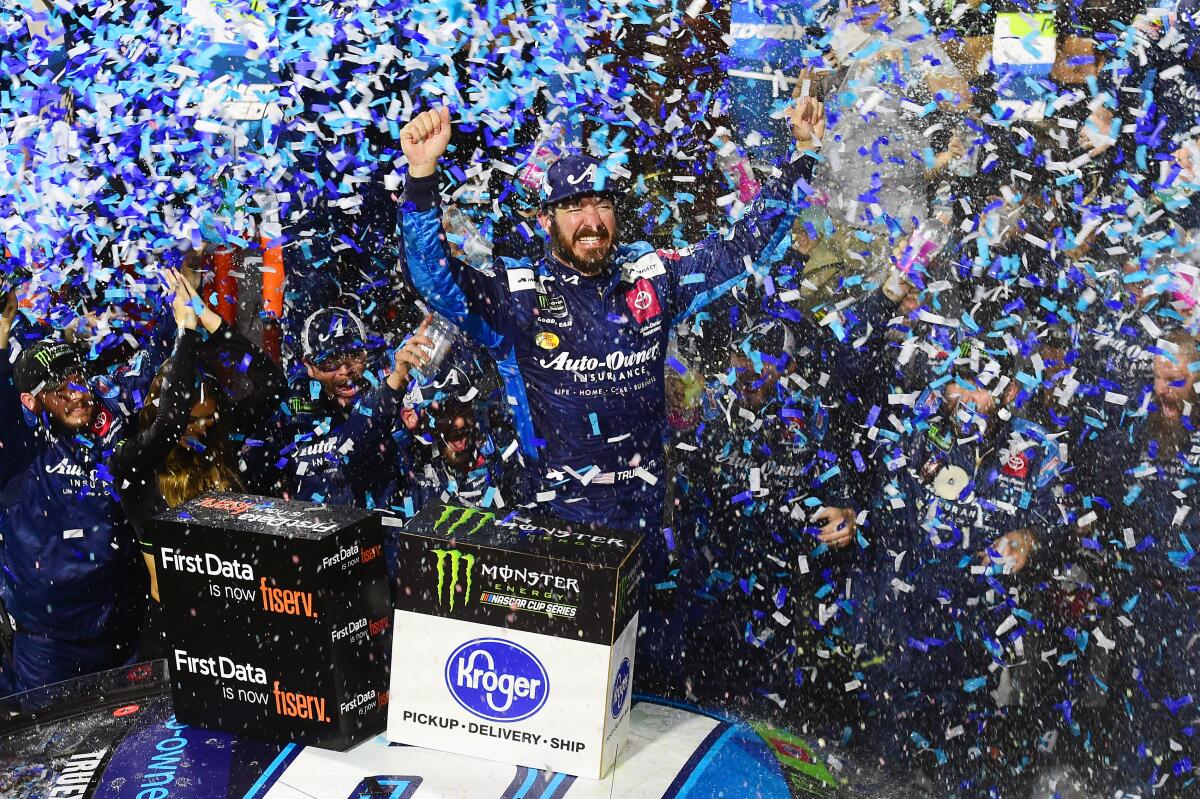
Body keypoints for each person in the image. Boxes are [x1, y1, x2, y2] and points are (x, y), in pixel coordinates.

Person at [395, 100, 826, 531]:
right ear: (546, 219)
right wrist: (420, 177)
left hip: (645, 515)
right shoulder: (518, 296)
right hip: (555, 520)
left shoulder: (652, 278)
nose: (591, 221)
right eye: (572, 206)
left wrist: (804, 155)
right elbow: (434, 279)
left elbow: (738, 249)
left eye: (601, 203)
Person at [855, 349, 1067, 793]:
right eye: (957, 382)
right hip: (907, 624)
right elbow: (877, 503)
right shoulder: (920, 428)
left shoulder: (1036, 448)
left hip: (983, 638)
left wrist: (1030, 538)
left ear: (1008, 391)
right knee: (887, 763)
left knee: (965, 766)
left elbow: (1063, 522)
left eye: (977, 385)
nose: (962, 397)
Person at [107, 268, 285, 607]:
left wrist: (209, 319)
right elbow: (169, 426)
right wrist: (185, 333)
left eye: (207, 419)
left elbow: (273, 385)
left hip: (236, 609)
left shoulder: (216, 440)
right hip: (175, 623)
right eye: (193, 421)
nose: (202, 428)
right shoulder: (135, 463)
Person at [0, 288, 147, 691]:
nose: (78, 393)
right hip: (51, 648)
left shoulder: (106, 419)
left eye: (78, 379)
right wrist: (1, 333)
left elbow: (153, 369)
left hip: (122, 629)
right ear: (31, 401)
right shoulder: (19, 452)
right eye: (59, 388)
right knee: (54, 754)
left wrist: (186, 292)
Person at [1082, 328, 1200, 795]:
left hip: (1193, 618)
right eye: (1157, 379)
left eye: (1177, 380)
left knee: (1190, 737)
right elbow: (1096, 506)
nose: (1164, 391)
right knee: (1133, 734)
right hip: (1136, 608)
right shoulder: (1131, 433)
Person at [252, 307, 432, 508]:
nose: (345, 370)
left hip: (393, 525)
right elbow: (255, 473)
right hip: (321, 530)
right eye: (330, 361)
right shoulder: (294, 401)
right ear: (309, 366)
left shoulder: (395, 374)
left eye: (354, 355)